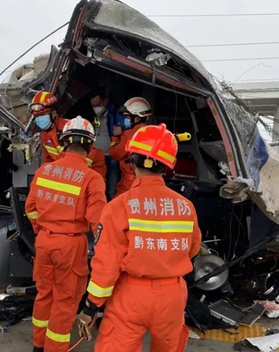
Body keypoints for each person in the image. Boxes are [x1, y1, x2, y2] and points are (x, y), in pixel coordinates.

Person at [76, 124, 202, 352]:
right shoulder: (186, 207)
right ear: (167, 166)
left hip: (130, 295)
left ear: (131, 161)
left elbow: (107, 265)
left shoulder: (119, 206)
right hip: (172, 296)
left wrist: (91, 307)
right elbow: (192, 250)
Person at [25, 116, 107, 352]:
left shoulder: (44, 170)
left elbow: (30, 209)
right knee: (65, 301)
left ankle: (38, 346)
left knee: (44, 295)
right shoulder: (92, 178)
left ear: (63, 142)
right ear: (90, 146)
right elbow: (98, 222)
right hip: (70, 246)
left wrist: (42, 230)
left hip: (44, 242)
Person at [30, 91, 106, 179]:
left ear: (54, 113)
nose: (39, 119)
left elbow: (91, 156)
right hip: (65, 173)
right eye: (37, 116)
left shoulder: (70, 128)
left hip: (87, 172)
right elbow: (49, 160)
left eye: (42, 114)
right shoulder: (44, 135)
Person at [88, 90, 128, 200]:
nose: (96, 108)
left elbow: (128, 125)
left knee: (112, 189)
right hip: (95, 157)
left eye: (98, 105)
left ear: (105, 101)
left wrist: (122, 129)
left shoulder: (116, 114)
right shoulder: (90, 114)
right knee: (96, 188)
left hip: (112, 157)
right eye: (93, 106)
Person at [108, 97, 151, 197]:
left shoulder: (128, 134)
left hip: (129, 181)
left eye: (127, 117)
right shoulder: (150, 131)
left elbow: (115, 154)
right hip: (145, 179)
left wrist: (115, 138)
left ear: (137, 118)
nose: (126, 120)